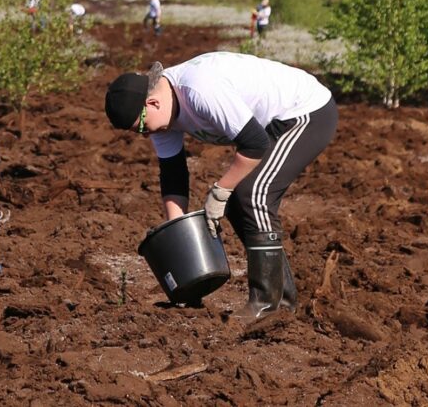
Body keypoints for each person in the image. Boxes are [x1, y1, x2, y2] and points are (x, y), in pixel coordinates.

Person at [104, 52, 337, 321]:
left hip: (306, 111)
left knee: (253, 194)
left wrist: (220, 191)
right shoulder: (160, 116)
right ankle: (281, 300)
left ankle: (269, 304)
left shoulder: (200, 91)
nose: (145, 135)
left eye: (142, 127)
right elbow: (173, 174)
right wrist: (179, 239)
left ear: (153, 102)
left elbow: (255, 144)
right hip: (269, 125)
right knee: (240, 200)